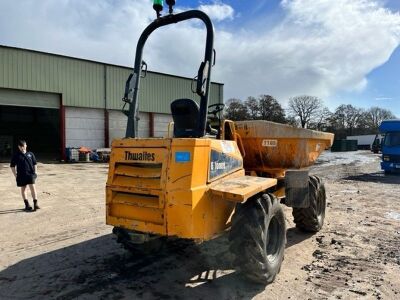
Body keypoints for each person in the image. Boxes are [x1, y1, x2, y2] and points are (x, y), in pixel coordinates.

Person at [10, 140, 40, 211]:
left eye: (24, 146)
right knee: (23, 189)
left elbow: (35, 163)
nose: (23, 147)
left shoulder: (30, 154)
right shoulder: (16, 155)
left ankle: (35, 204)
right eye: (21, 146)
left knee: (33, 188)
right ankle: (27, 205)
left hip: (30, 175)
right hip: (21, 175)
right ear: (19, 147)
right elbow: (12, 166)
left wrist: (35, 172)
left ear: (26, 145)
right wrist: (15, 175)